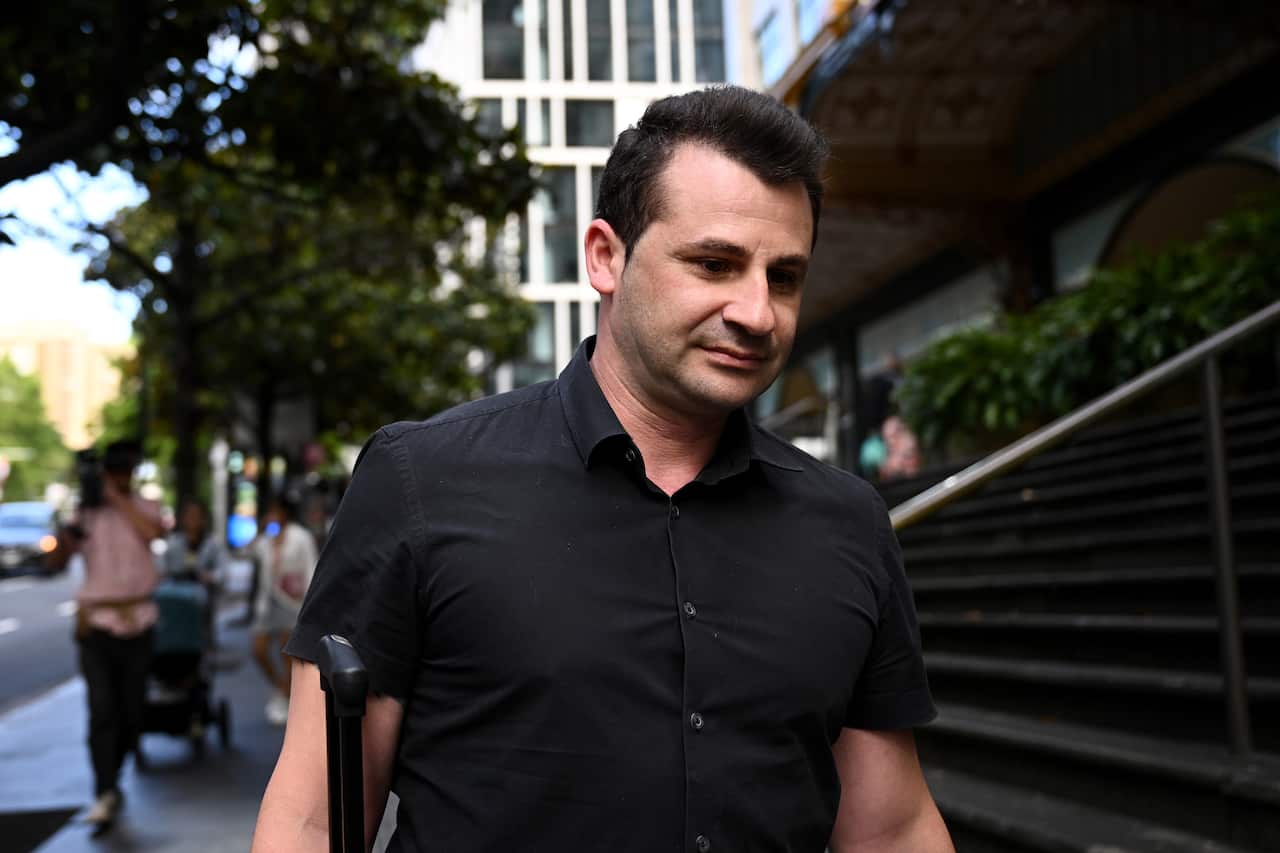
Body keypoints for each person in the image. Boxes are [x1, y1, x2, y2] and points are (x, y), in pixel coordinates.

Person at [254, 85, 952, 852]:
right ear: (604, 256)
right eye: (714, 264)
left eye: (783, 276)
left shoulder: (848, 523)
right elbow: (313, 819)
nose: (758, 312)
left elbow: (891, 830)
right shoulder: (420, 479)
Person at [60, 440, 166, 832]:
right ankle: (104, 788)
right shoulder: (86, 511)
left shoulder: (144, 506)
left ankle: (114, 774)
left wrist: (117, 500)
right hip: (97, 625)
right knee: (101, 709)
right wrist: (67, 529)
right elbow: (60, 557)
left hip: (139, 619)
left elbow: (153, 532)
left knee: (132, 710)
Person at [250, 494, 318, 726]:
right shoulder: (265, 541)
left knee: (286, 650)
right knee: (258, 649)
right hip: (268, 602)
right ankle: (282, 688)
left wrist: (308, 603)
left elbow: (310, 568)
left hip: (292, 602)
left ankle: (287, 698)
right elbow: (248, 554)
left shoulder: (301, 537)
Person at [161, 500, 228, 645]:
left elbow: (222, 573)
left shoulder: (213, 544)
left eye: (196, 515)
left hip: (202, 602)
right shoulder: (173, 542)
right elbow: (163, 569)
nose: (192, 519)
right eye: (189, 515)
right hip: (176, 600)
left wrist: (209, 577)